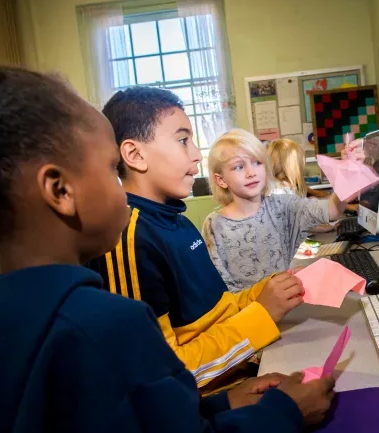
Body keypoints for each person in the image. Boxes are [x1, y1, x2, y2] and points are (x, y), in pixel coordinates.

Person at [0, 28, 335, 433]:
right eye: (111, 169)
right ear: (60, 190)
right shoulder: (106, 327)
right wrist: (285, 415)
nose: (122, 186)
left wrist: (218, 406)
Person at [88, 87, 304, 389]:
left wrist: (265, 291)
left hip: (240, 372)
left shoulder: (178, 221)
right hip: (207, 403)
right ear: (135, 155)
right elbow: (160, 375)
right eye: (183, 140)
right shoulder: (128, 238)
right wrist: (262, 314)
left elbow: (217, 314)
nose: (197, 154)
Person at [202, 129, 347, 292]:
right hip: (247, 307)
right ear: (221, 180)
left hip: (287, 301)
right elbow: (218, 287)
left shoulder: (282, 206)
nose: (251, 172)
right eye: (239, 167)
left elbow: (332, 210)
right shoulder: (215, 225)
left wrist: (348, 172)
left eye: (257, 163)